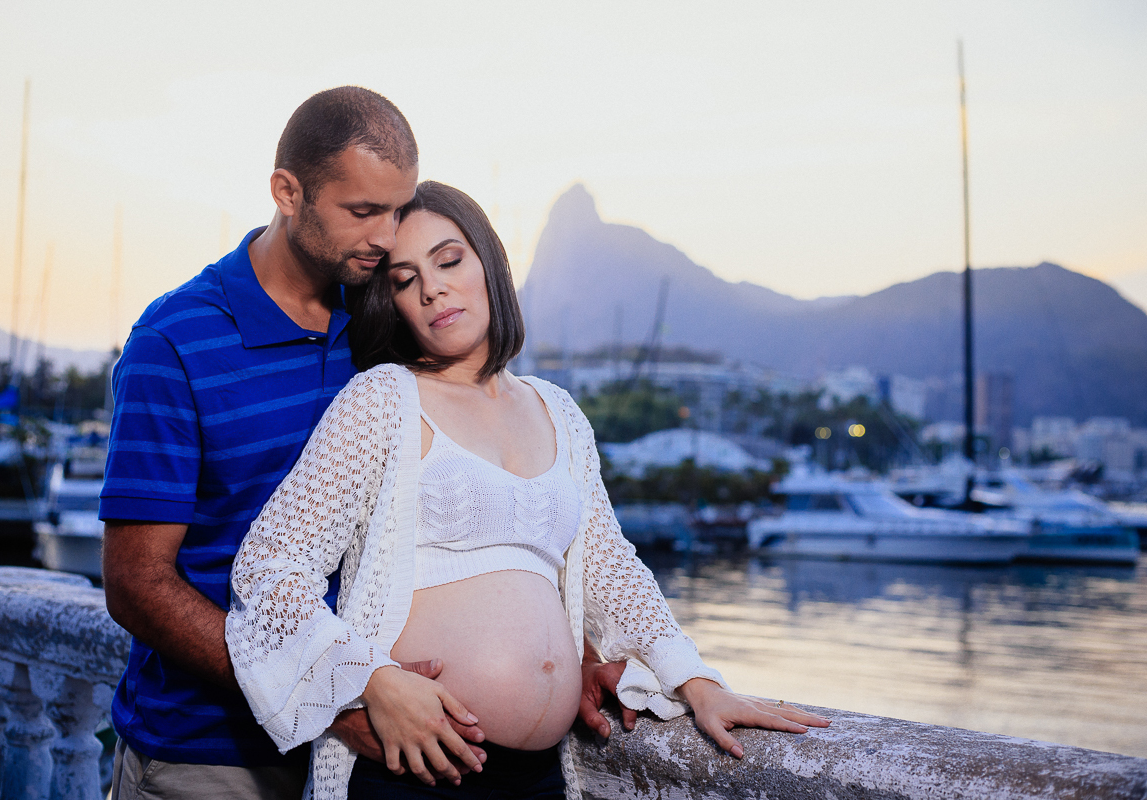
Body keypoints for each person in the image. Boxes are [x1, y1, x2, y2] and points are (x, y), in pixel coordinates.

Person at [99, 86, 633, 800]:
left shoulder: (390, 315)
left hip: (386, 753)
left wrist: (573, 648)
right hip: (212, 753)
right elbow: (137, 584)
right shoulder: (177, 341)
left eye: (398, 208)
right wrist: (331, 694)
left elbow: (474, 505)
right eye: (364, 212)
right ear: (289, 192)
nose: (388, 237)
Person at [225, 181, 831, 800]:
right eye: (405, 279)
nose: (431, 287)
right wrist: (371, 682)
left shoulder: (560, 411)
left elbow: (607, 566)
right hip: (411, 772)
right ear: (394, 303)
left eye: (449, 259)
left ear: (490, 263)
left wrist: (696, 682)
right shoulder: (382, 400)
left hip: (538, 780)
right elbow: (272, 566)